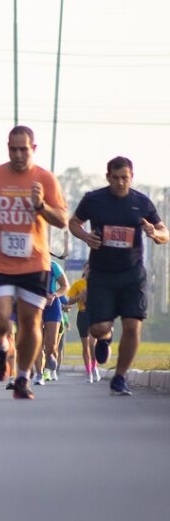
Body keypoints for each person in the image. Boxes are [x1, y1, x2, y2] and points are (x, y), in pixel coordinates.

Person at [0, 125, 68, 400]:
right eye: (13, 149)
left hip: (35, 262)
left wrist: (41, 206)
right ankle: (2, 345)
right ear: (7, 147)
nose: (18, 154)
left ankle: (22, 378)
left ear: (33, 149)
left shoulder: (45, 179)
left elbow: (62, 220)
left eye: (24, 149)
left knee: (31, 322)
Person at [69, 156, 168, 396]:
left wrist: (155, 233)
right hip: (101, 274)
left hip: (132, 274)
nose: (121, 182)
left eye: (125, 178)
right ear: (108, 177)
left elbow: (165, 232)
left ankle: (120, 377)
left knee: (133, 325)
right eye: (116, 178)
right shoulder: (94, 200)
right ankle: (105, 337)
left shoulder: (141, 203)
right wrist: (84, 236)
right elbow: (74, 223)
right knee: (98, 328)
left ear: (131, 177)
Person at [36, 259, 69, 385]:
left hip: (52, 305)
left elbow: (65, 285)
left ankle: (50, 362)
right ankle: (40, 374)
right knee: (38, 343)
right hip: (36, 304)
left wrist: (54, 294)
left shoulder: (53, 265)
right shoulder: (28, 264)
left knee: (51, 346)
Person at [65, 263, 96, 382]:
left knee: (93, 343)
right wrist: (80, 296)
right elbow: (69, 301)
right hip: (82, 314)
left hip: (94, 314)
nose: (89, 271)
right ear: (84, 270)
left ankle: (94, 367)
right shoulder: (78, 284)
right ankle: (89, 372)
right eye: (87, 268)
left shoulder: (98, 283)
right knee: (86, 346)